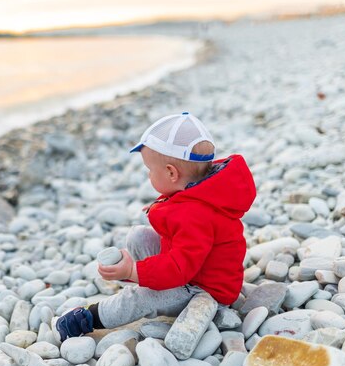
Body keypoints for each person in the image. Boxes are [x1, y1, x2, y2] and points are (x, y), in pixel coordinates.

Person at [53, 112, 256, 340]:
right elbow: (181, 242)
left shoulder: (195, 215)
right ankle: (147, 276)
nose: (149, 175)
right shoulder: (198, 192)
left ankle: (88, 319)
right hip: (193, 269)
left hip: (205, 289)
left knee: (142, 298)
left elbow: (180, 268)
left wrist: (133, 271)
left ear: (171, 172)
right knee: (139, 236)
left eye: (150, 169)